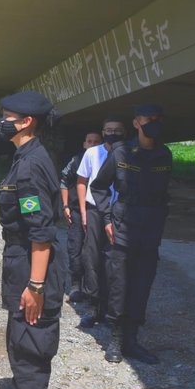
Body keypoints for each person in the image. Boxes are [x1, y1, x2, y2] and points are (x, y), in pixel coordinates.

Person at [0, 91, 65, 389]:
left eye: (7, 115)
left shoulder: (29, 166)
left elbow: (41, 229)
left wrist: (36, 284)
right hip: (23, 258)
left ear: (26, 121)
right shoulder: (27, 157)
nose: (2, 121)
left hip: (33, 264)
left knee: (30, 344)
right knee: (19, 338)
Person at [91, 104, 172, 365]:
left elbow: (164, 195)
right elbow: (99, 187)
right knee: (119, 284)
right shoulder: (121, 151)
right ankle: (114, 339)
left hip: (150, 230)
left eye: (158, 118)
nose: (154, 122)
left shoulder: (164, 155)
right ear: (136, 122)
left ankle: (132, 339)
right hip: (123, 228)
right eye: (149, 118)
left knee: (142, 284)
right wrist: (106, 219)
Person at [76, 118, 125, 328]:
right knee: (92, 259)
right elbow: (81, 181)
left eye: (117, 130)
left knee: (115, 262)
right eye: (108, 130)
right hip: (95, 210)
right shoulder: (92, 153)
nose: (112, 133)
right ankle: (94, 308)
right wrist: (84, 211)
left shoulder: (127, 154)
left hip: (119, 212)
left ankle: (114, 310)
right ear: (103, 132)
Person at [59, 131, 101, 304]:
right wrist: (66, 206)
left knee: (93, 253)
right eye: (89, 141)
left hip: (97, 213)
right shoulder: (76, 160)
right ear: (84, 144)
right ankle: (76, 286)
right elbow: (63, 181)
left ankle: (93, 290)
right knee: (75, 249)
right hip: (76, 211)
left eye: (96, 141)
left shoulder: (107, 160)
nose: (92, 144)